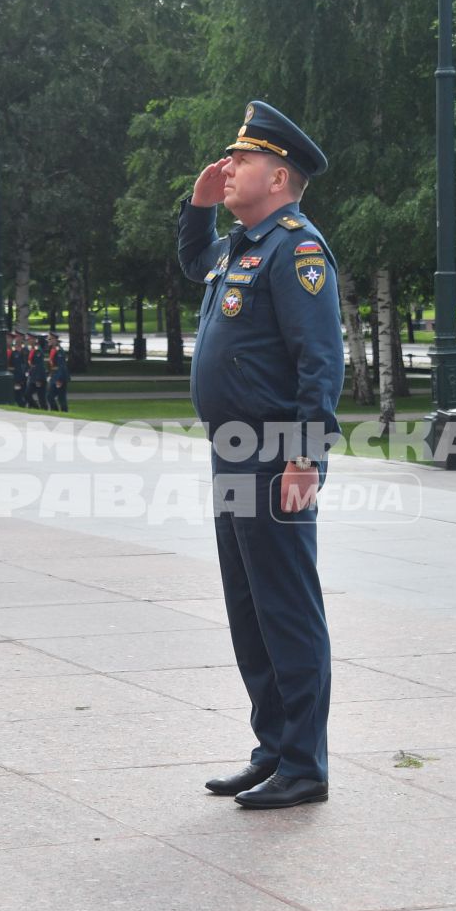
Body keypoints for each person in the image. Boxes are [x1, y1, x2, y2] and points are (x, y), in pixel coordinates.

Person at [176, 100, 343, 810]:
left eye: (241, 158)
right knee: (248, 607)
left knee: (286, 607)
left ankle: (304, 763)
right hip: (233, 450)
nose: (228, 165)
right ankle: (272, 748)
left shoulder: (296, 249)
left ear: (278, 177)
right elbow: (193, 261)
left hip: (275, 453)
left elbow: (319, 360)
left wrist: (306, 456)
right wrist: (197, 207)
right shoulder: (242, 247)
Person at [48, 336, 70, 412]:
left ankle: (63, 413)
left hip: (59, 376)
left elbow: (61, 366)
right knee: (50, 396)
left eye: (51, 339)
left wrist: (59, 379)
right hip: (54, 375)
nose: (49, 341)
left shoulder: (59, 351)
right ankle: (56, 411)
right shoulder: (53, 350)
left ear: (56, 340)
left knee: (60, 398)